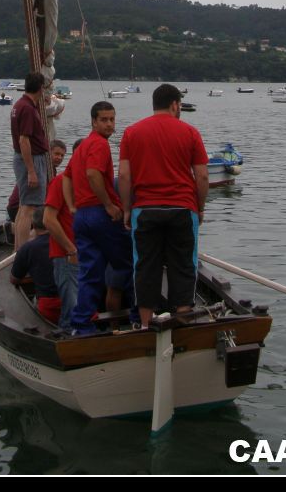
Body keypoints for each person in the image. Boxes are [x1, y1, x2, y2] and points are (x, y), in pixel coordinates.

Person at [118, 83, 209, 329]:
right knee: (183, 267)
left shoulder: (131, 133)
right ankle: (182, 323)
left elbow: (124, 176)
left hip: (145, 209)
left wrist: (127, 209)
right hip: (182, 209)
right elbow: (201, 176)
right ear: (175, 104)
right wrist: (199, 208)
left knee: (146, 267)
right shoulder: (190, 132)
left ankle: (147, 326)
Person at [64, 101, 134, 333]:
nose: (109, 124)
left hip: (82, 217)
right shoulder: (99, 145)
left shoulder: (82, 146)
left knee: (90, 272)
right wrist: (108, 204)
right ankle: (138, 315)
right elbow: (93, 173)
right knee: (131, 262)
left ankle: (81, 324)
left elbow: (67, 176)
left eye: (112, 119)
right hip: (98, 213)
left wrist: (72, 206)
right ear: (93, 121)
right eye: (104, 120)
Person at [43, 139, 81, 332]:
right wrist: (70, 249)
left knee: (82, 299)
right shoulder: (60, 182)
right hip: (67, 254)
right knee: (71, 303)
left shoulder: (91, 183)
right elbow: (48, 219)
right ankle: (69, 334)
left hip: (85, 252)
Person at [10, 71, 50, 249]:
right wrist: (32, 171)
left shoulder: (20, 105)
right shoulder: (27, 109)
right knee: (29, 208)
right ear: (40, 88)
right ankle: (23, 252)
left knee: (23, 207)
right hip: (31, 159)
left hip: (25, 159)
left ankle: (19, 250)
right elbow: (24, 140)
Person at [10, 208, 61, 325]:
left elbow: (14, 279)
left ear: (32, 224)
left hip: (48, 308)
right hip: (75, 302)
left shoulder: (27, 248)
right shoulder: (68, 242)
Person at [8, 140, 66, 223]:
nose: (59, 158)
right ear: (48, 153)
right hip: (18, 208)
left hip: (21, 206)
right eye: (56, 154)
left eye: (62, 156)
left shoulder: (51, 170)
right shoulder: (42, 168)